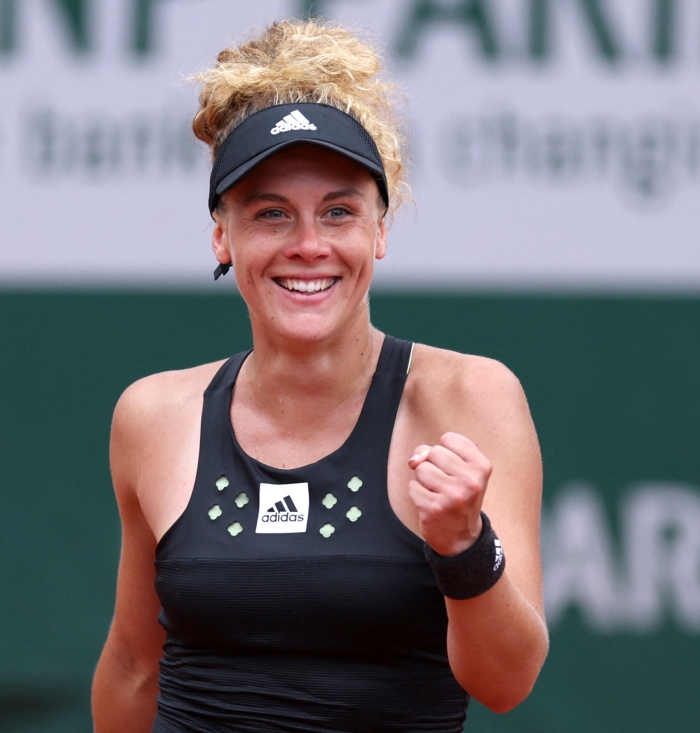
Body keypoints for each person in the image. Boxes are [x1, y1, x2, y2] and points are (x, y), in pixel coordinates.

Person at [91, 19, 548, 733]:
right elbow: (132, 666)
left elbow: (508, 681)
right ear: (223, 235)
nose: (309, 246)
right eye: (272, 215)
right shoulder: (153, 414)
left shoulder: (470, 398)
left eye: (338, 212)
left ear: (379, 231)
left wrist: (464, 547)